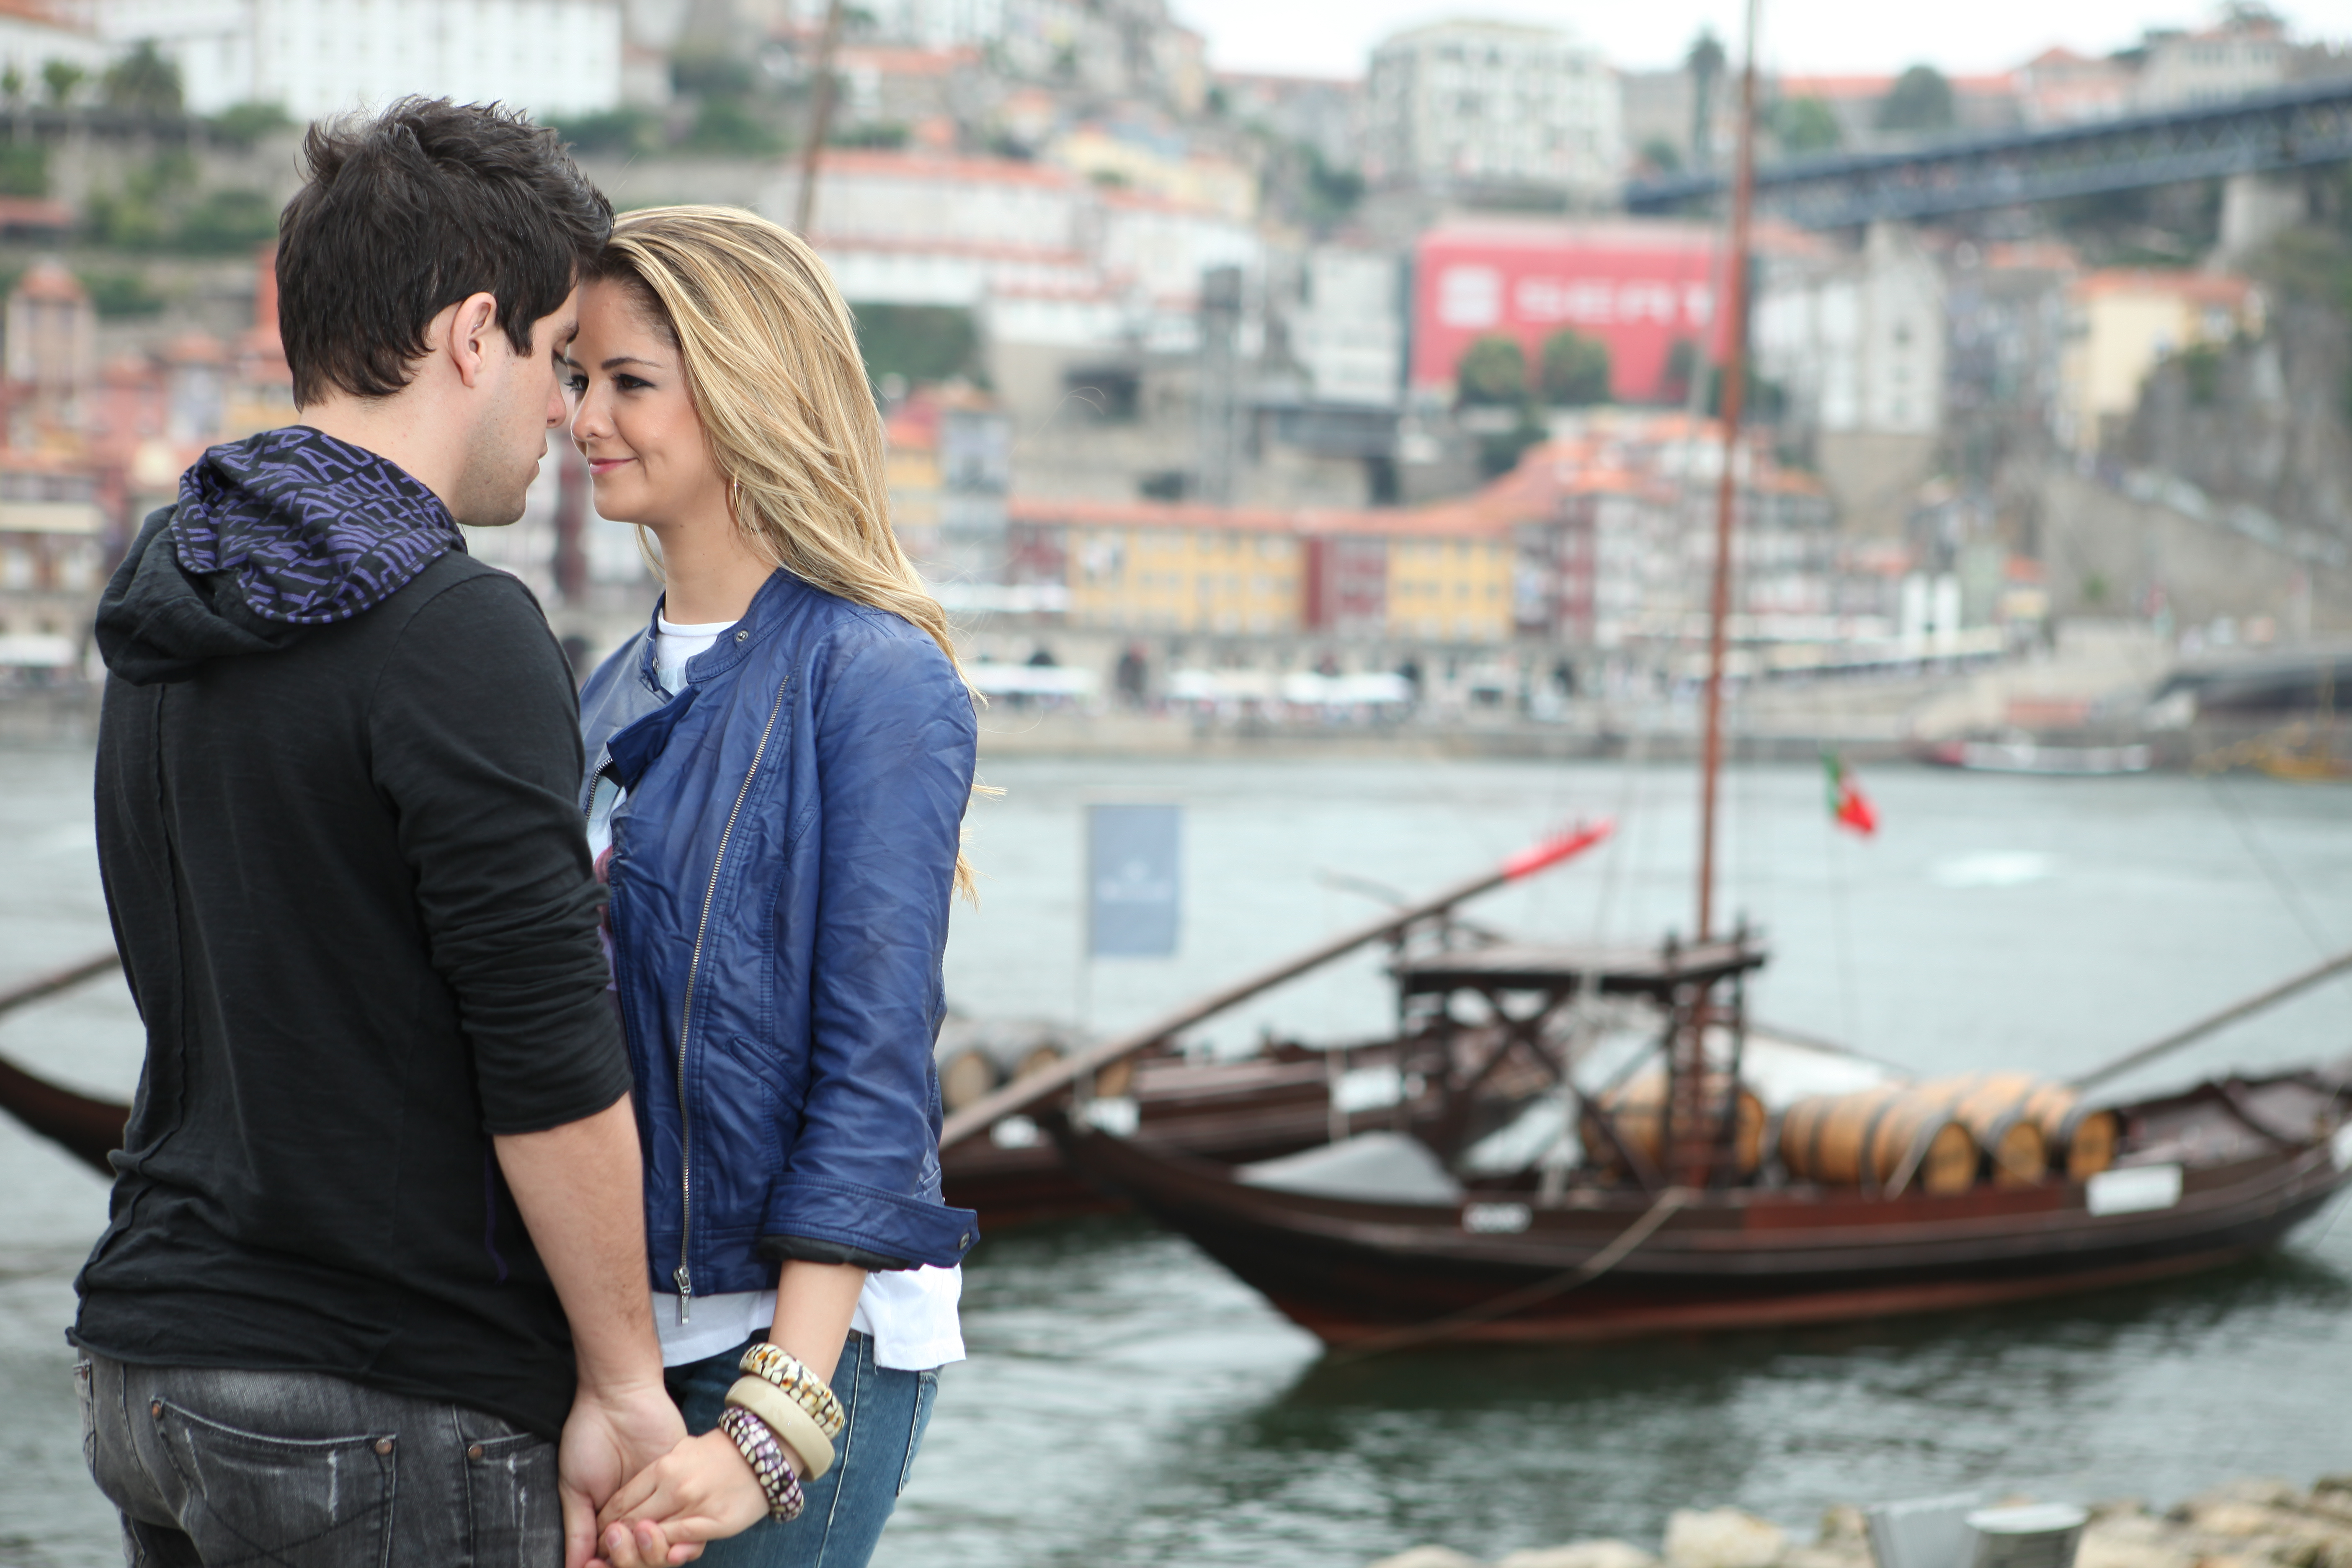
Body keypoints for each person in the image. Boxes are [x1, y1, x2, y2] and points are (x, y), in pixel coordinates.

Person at [75, 100, 685, 1568]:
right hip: (383, 1390)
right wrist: (621, 1382)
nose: (560, 409)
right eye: (551, 356)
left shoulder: (174, 583)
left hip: (151, 1364)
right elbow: (546, 1049)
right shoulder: (453, 628)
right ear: (476, 335)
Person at [562, 206, 981, 1568]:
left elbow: (874, 1063)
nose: (584, 420)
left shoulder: (873, 674)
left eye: (628, 381)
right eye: (576, 379)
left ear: (747, 388)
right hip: (628, 1346)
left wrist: (775, 1422)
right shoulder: (606, 691)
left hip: (805, 1339)